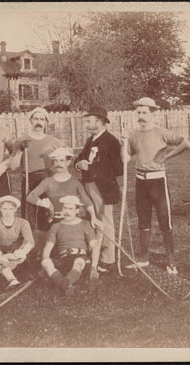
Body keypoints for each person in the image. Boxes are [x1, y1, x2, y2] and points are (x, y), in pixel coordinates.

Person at [121, 97, 190, 274]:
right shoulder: (133, 134)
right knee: (143, 222)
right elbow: (126, 159)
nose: (141, 115)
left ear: (153, 114)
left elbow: (186, 143)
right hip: (140, 182)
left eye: (145, 112)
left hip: (158, 181)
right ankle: (143, 259)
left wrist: (167, 156)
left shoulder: (161, 132)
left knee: (164, 222)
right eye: (139, 112)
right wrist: (124, 142)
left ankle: (171, 262)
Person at [26, 147, 102, 255]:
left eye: (62, 160)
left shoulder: (75, 182)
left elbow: (87, 201)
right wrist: (45, 204)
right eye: (56, 161)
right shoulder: (48, 181)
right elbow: (30, 197)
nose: (58, 163)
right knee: (53, 252)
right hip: (54, 222)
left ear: (68, 162)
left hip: (73, 221)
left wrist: (94, 217)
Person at [75, 106, 123, 273]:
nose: (87, 124)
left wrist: (92, 169)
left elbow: (118, 169)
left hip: (104, 186)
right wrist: (79, 165)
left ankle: (108, 258)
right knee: (91, 218)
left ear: (100, 121)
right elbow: (81, 157)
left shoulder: (111, 141)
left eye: (89, 121)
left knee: (105, 220)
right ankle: (93, 252)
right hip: (88, 184)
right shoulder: (91, 139)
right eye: (87, 121)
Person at [8, 107, 62, 242]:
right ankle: (29, 242)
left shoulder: (53, 141)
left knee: (49, 211)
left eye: (42, 119)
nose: (39, 122)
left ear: (46, 123)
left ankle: (50, 241)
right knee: (30, 212)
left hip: (48, 179)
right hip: (29, 178)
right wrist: (20, 150)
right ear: (30, 121)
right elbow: (13, 166)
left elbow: (67, 157)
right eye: (36, 119)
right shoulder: (21, 140)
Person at [41, 196, 100, 296]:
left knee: (78, 262)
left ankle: (61, 283)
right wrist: (44, 264)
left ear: (77, 210)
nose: (67, 211)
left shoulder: (85, 224)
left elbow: (94, 247)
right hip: (63, 259)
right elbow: (48, 247)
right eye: (65, 208)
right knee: (46, 262)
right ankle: (65, 285)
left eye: (70, 209)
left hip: (80, 257)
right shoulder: (56, 226)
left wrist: (94, 267)